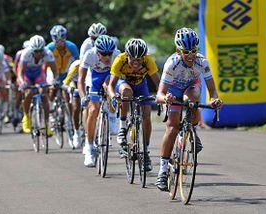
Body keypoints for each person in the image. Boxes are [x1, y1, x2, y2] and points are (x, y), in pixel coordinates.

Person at [155, 28, 223, 191]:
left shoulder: (202, 62)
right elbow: (159, 93)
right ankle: (162, 171)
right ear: (178, 51)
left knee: (192, 99)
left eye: (194, 51)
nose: (191, 55)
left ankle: (190, 130)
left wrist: (215, 100)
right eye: (187, 52)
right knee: (171, 128)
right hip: (173, 92)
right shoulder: (172, 63)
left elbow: (212, 90)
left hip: (191, 88)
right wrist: (166, 99)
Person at [108, 38, 160, 172]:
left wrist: (161, 98)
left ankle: (146, 151)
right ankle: (123, 127)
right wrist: (114, 97)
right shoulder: (120, 60)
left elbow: (159, 84)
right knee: (126, 92)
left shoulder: (149, 61)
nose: (136, 63)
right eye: (133, 59)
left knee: (147, 116)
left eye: (139, 60)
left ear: (144, 58)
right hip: (124, 83)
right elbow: (111, 86)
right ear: (127, 56)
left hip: (141, 86)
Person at [78, 35, 120, 167]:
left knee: (110, 87)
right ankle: (89, 147)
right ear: (97, 52)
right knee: (93, 109)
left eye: (109, 54)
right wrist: (83, 96)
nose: (108, 57)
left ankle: (113, 116)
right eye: (104, 54)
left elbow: (118, 77)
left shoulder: (117, 55)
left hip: (109, 76)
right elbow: (80, 80)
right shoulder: (89, 55)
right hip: (94, 78)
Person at [17, 35, 57, 135]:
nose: (38, 53)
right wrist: (22, 82)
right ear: (32, 50)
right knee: (29, 92)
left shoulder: (48, 53)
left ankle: (46, 124)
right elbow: (20, 72)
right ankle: (26, 117)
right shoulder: (26, 53)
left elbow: (55, 71)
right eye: (36, 51)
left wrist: (54, 81)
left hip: (39, 74)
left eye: (40, 51)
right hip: (27, 74)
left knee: (43, 94)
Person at [46, 25, 79, 145]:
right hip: (53, 72)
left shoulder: (72, 47)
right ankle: (51, 112)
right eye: (57, 40)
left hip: (66, 73)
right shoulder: (49, 48)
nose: (60, 43)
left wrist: (76, 78)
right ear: (53, 39)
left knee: (68, 94)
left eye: (62, 39)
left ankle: (69, 116)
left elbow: (78, 62)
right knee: (52, 88)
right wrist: (50, 80)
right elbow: (44, 65)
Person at [62, 59, 82, 148]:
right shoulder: (76, 66)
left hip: (86, 83)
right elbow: (66, 83)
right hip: (75, 83)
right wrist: (68, 88)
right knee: (76, 107)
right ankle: (76, 131)